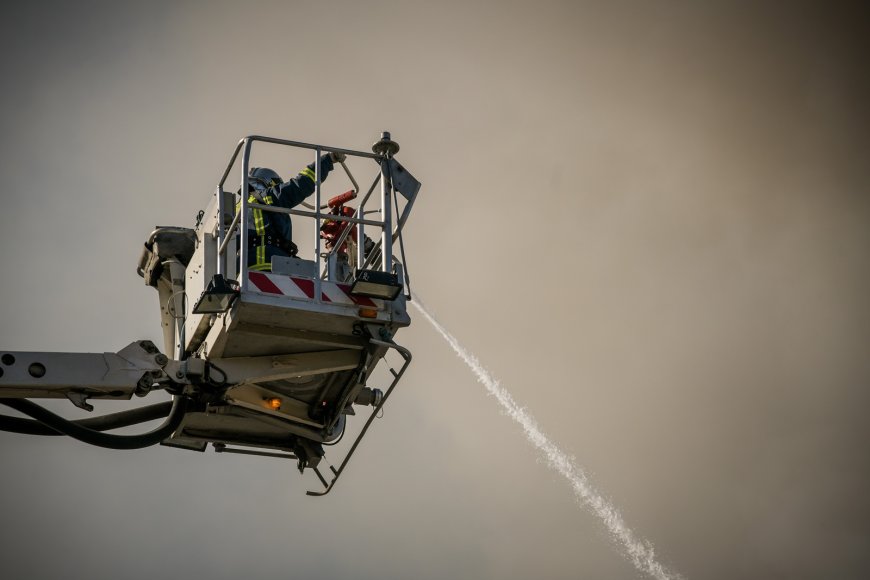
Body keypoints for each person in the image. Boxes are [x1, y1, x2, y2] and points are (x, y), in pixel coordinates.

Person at [242, 151, 346, 271]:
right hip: (267, 264)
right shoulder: (267, 198)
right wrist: (327, 160)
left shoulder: (236, 210)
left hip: (241, 269)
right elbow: (300, 185)